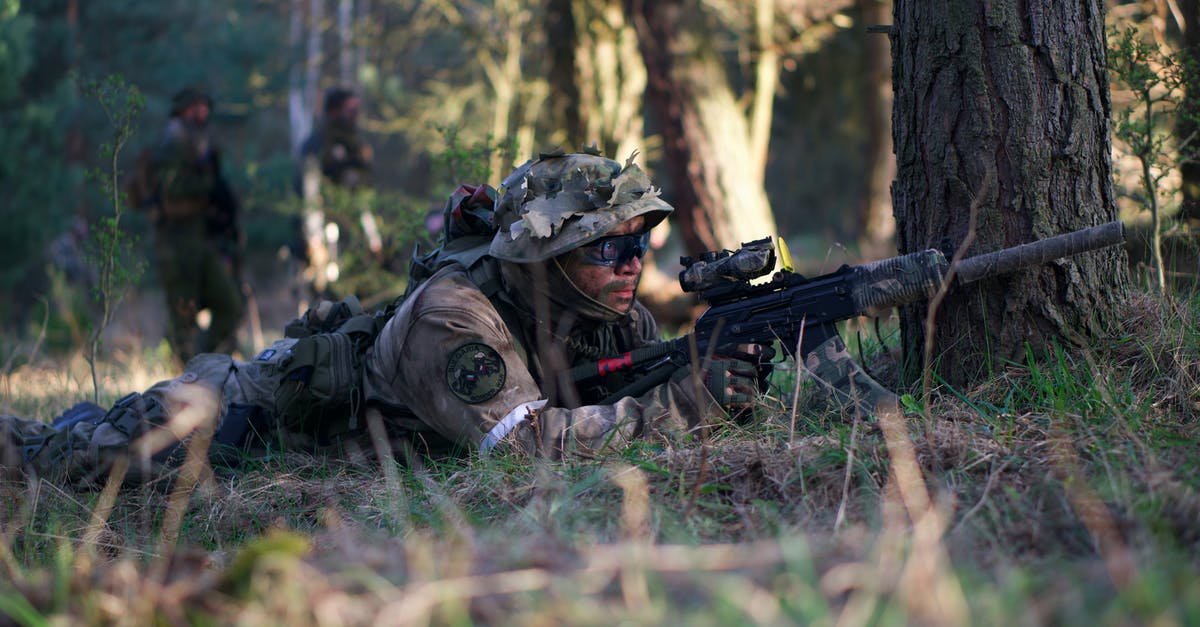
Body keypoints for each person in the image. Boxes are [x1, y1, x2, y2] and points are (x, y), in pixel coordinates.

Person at [0, 152, 892, 484]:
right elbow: (532, 449)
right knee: (66, 457)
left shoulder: (601, 308)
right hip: (244, 412)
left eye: (640, 244)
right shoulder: (453, 313)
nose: (634, 266)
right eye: (609, 248)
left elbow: (624, 393)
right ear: (545, 257)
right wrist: (685, 405)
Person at [148, 87, 244, 364]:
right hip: (177, 245)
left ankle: (210, 366)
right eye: (196, 107)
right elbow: (171, 188)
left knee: (229, 304)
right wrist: (206, 184)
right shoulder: (174, 138)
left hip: (200, 241)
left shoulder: (196, 138)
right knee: (183, 316)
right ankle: (186, 374)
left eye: (205, 106)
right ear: (183, 108)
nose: (202, 112)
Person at [296, 87, 381, 300]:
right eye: (349, 109)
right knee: (329, 293)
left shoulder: (357, 146)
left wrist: (372, 234)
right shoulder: (317, 145)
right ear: (334, 111)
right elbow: (310, 191)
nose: (355, 115)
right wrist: (314, 236)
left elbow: (361, 194)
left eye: (356, 109)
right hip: (328, 229)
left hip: (355, 230)